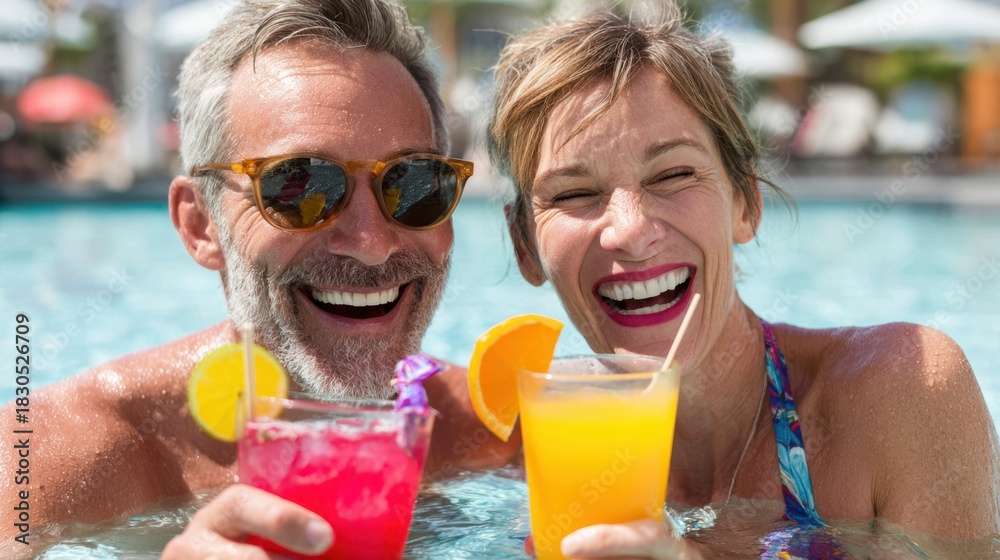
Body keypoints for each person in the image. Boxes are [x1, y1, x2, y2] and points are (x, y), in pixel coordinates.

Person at [0, 0, 518, 557]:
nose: (371, 243)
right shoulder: (47, 461)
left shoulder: (499, 432)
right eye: (299, 186)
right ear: (200, 225)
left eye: (413, 183)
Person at [487, 3, 1000, 558]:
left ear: (746, 204)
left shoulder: (901, 391)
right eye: (572, 193)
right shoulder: (525, 445)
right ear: (525, 246)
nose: (630, 234)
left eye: (674, 174)